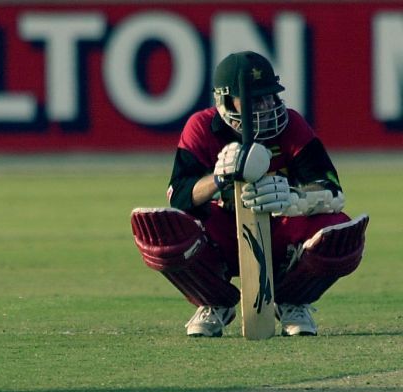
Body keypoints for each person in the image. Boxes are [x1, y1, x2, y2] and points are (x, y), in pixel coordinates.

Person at [130, 51, 368, 337]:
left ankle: (293, 300)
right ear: (226, 101)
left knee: (339, 233)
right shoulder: (202, 127)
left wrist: (293, 199)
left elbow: (331, 189)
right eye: (256, 99)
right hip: (222, 234)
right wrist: (219, 179)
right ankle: (214, 302)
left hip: (280, 230)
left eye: (270, 96)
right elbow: (180, 196)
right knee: (164, 232)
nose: (267, 106)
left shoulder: (292, 124)